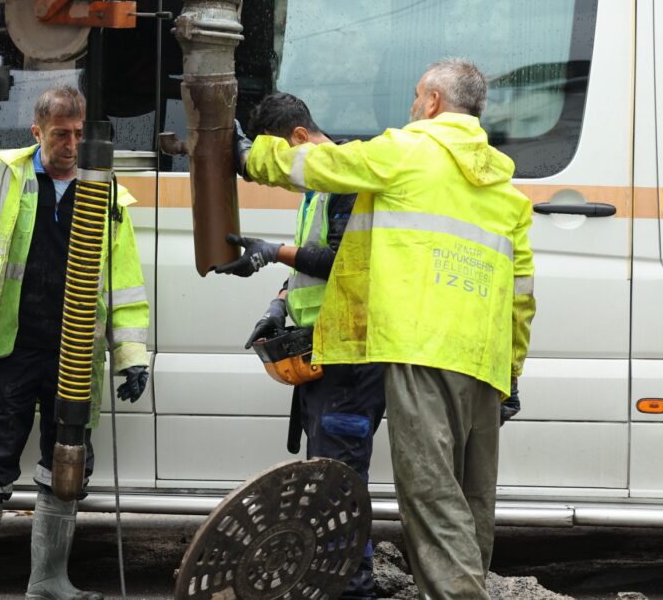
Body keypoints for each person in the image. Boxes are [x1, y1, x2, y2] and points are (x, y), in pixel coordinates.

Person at [237, 59, 536, 599]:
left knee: (430, 493)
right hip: (485, 361)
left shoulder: (410, 149)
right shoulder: (506, 189)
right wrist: (510, 372)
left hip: (423, 349)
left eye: (418, 95)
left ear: (436, 102)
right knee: (471, 500)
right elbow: (521, 300)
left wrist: (247, 154)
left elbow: (320, 165)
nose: (412, 106)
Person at [0, 82, 150, 600]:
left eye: (78, 133)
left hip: (73, 355)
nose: (72, 144)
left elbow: (124, 282)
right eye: (61, 134)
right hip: (12, 350)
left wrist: (131, 356)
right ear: (37, 131)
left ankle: (48, 581)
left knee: (65, 468)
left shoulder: (106, 193)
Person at [217, 93, 384, 600]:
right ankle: (346, 581)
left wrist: (272, 251)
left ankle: (353, 589)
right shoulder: (318, 190)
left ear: (296, 141)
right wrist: (279, 300)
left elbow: (337, 260)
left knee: (337, 484)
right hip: (325, 354)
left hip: (350, 357)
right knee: (328, 481)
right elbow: (310, 269)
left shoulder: (346, 184)